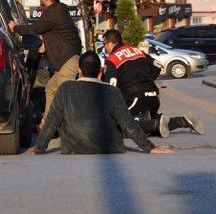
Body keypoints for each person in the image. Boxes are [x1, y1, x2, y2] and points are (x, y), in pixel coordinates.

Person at [26, 51, 174, 155]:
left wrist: (38, 149)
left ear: (79, 71)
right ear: (100, 71)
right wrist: (149, 147)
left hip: (72, 148)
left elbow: (52, 122)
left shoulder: (65, 89)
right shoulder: (112, 92)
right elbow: (128, 123)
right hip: (110, 147)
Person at [8, 0, 81, 132]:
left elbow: (35, 29)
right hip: (64, 60)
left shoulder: (54, 12)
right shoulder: (58, 9)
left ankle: (74, 132)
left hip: (68, 59)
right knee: (50, 88)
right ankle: (46, 126)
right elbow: (53, 33)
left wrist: (15, 28)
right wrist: (44, 44)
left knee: (65, 97)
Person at [102, 29, 205, 138]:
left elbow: (110, 87)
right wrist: (147, 80)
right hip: (153, 95)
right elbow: (158, 65)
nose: (105, 47)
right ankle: (182, 121)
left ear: (110, 43)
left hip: (134, 97)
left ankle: (155, 125)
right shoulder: (137, 51)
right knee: (152, 124)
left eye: (104, 44)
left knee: (121, 127)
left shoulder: (112, 59)